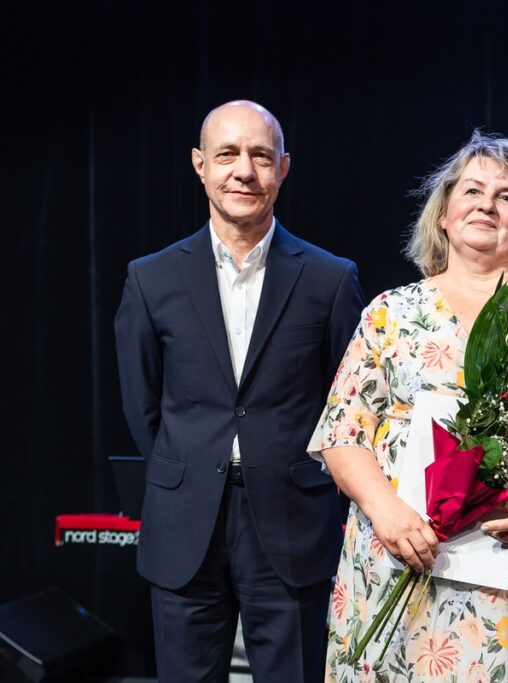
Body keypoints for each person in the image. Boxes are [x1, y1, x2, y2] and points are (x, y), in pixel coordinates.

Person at [307, 131, 508, 681]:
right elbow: (344, 435)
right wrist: (388, 516)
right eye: (473, 190)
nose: (487, 204)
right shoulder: (389, 314)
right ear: (443, 213)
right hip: (400, 561)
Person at [114, 100, 364, 682]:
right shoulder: (150, 279)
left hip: (294, 520)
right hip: (184, 522)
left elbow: (348, 406)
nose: (243, 171)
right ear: (200, 165)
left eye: (260, 155)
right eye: (227, 154)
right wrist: (185, 470)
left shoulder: (331, 279)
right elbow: (140, 403)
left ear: (284, 167)